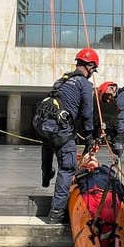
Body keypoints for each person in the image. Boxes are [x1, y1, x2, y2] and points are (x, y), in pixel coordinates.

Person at [33, 48, 99, 223]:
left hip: (41, 122)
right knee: (68, 167)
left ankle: (46, 175)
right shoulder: (84, 84)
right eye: (93, 69)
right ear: (91, 66)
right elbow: (87, 113)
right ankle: (56, 213)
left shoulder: (62, 79)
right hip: (58, 126)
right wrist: (90, 136)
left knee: (48, 142)